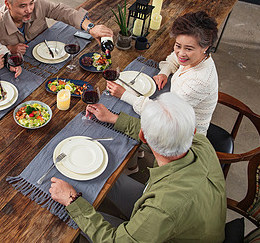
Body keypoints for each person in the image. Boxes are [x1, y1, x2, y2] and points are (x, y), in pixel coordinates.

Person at [49, 93, 226, 242]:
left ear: (143, 135)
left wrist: (71, 200)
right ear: (193, 131)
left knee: (68, 220)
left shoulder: (161, 207)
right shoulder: (201, 142)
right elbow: (162, 139)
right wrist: (114, 118)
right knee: (104, 177)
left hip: (163, 225)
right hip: (183, 219)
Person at [108, 11, 218, 135]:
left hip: (182, 135)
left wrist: (124, 95)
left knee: (117, 123)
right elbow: (174, 58)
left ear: (206, 47)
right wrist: (164, 73)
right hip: (174, 110)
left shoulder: (198, 82)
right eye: (178, 46)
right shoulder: (198, 57)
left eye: (188, 48)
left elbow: (161, 115)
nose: (181, 53)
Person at [0, 0, 113, 54]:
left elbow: (63, 11)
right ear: (8, 4)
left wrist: (91, 28)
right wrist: (9, 49)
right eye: (22, 6)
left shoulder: (38, 3)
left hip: (50, 55)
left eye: (31, 3)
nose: (29, 10)